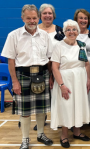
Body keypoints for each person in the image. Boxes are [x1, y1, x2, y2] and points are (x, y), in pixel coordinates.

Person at [1, 4, 53, 149]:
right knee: (24, 111)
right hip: (22, 75)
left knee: (42, 109)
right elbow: (10, 60)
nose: (32, 21)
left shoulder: (45, 36)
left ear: (38, 18)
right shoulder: (14, 35)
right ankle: (25, 139)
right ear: (22, 18)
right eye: (28, 18)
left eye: (34, 18)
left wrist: (50, 77)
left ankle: (41, 134)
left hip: (42, 74)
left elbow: (49, 58)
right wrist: (15, 82)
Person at [50, 19, 90, 148]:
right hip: (65, 80)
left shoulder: (81, 45)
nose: (71, 32)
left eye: (74, 29)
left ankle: (77, 132)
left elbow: (86, 63)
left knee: (78, 104)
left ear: (78, 32)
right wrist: (61, 85)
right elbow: (54, 67)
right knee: (66, 107)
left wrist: (88, 79)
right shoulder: (58, 46)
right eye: (68, 30)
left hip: (80, 80)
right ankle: (64, 135)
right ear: (64, 32)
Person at [27, 3, 65, 131]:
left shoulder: (61, 31)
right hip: (40, 69)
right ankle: (41, 121)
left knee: (56, 95)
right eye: (45, 13)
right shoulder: (33, 30)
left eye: (50, 13)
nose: (47, 16)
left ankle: (58, 120)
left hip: (57, 69)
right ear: (39, 16)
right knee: (41, 97)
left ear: (53, 15)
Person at [73, 9, 90, 127]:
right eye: (81, 18)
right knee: (75, 93)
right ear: (76, 20)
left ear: (88, 21)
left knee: (88, 92)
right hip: (74, 69)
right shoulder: (71, 33)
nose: (83, 20)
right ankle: (76, 117)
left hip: (89, 70)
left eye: (85, 18)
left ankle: (88, 117)